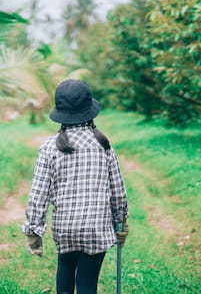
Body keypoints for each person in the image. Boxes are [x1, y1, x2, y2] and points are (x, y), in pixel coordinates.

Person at [22, 79, 129, 294]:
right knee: (88, 284)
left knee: (65, 273)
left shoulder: (49, 147)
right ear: (90, 111)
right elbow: (118, 192)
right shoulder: (103, 145)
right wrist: (121, 223)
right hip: (97, 228)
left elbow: (38, 195)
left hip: (65, 228)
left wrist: (34, 231)